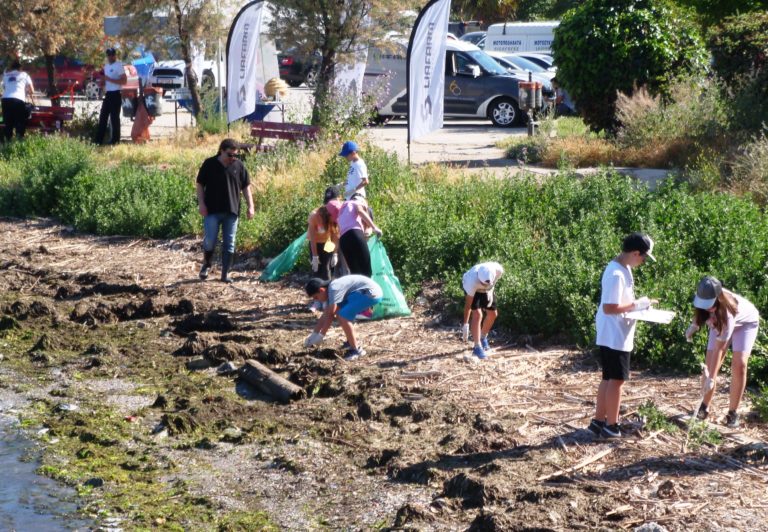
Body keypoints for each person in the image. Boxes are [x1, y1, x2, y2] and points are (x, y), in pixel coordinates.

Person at [590, 232, 658, 439]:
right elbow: (610, 307)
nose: (644, 261)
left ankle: (598, 421)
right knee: (617, 380)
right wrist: (639, 304)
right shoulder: (616, 274)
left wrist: (638, 306)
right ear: (636, 253)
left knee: (609, 377)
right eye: (644, 257)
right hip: (614, 333)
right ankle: (611, 426)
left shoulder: (623, 268)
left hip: (615, 331)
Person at [685, 276, 759, 428]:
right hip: (719, 324)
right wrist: (694, 325)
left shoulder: (728, 312)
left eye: (709, 305)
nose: (706, 308)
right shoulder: (704, 302)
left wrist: (712, 378)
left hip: (746, 323)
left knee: (739, 365)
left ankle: (733, 412)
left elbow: (720, 349)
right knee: (708, 365)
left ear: (718, 298)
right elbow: (699, 313)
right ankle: (704, 407)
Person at [196, 139, 255, 283]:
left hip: (232, 210)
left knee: (230, 243)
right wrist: (201, 204)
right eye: (230, 154)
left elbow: (246, 187)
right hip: (212, 210)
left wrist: (251, 206)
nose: (232, 158)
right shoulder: (209, 164)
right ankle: (207, 264)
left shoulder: (239, 166)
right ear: (221, 150)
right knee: (210, 240)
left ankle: (225, 274)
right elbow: (199, 184)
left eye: (235, 155)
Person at [304, 275, 383, 361]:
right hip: (360, 293)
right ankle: (350, 342)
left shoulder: (333, 289)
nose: (317, 300)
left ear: (321, 290)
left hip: (371, 293)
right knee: (339, 312)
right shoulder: (328, 292)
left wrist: (321, 336)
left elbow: (330, 315)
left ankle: (356, 350)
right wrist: (313, 334)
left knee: (343, 316)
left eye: (316, 297)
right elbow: (325, 315)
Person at [461, 262, 504, 360]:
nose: (483, 285)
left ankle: (483, 336)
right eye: (482, 283)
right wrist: (465, 324)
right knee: (478, 315)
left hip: (488, 289)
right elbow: (468, 305)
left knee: (493, 314)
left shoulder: (498, 270)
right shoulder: (471, 282)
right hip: (474, 290)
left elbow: (492, 284)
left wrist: (489, 290)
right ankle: (477, 347)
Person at [337, 196, 381, 278]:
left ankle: (359, 290)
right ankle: (367, 290)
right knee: (366, 271)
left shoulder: (341, 211)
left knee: (355, 275)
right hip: (355, 234)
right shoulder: (355, 202)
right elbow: (360, 211)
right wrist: (374, 227)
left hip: (343, 240)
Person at [307, 187, 341, 282]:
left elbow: (335, 235)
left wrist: (335, 254)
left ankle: (326, 291)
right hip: (315, 243)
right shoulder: (314, 216)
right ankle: (316, 292)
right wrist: (315, 256)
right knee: (316, 270)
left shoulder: (336, 215)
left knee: (326, 269)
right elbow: (313, 238)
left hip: (327, 243)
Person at [94, 47, 127, 145]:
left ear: (115, 55)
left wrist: (109, 79)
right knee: (103, 116)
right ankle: (98, 140)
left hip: (116, 93)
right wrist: (102, 83)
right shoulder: (106, 66)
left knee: (114, 118)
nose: (110, 57)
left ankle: (115, 141)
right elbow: (105, 80)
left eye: (112, 55)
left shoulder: (119, 65)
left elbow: (124, 81)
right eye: (108, 55)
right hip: (108, 94)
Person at [1, 60, 35, 142]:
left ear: (11, 67)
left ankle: (7, 143)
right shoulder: (25, 75)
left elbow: (4, 88)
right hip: (18, 100)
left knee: (8, 123)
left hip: (6, 100)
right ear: (20, 68)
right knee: (19, 122)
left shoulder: (6, 75)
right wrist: (25, 91)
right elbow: (32, 91)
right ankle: (19, 142)